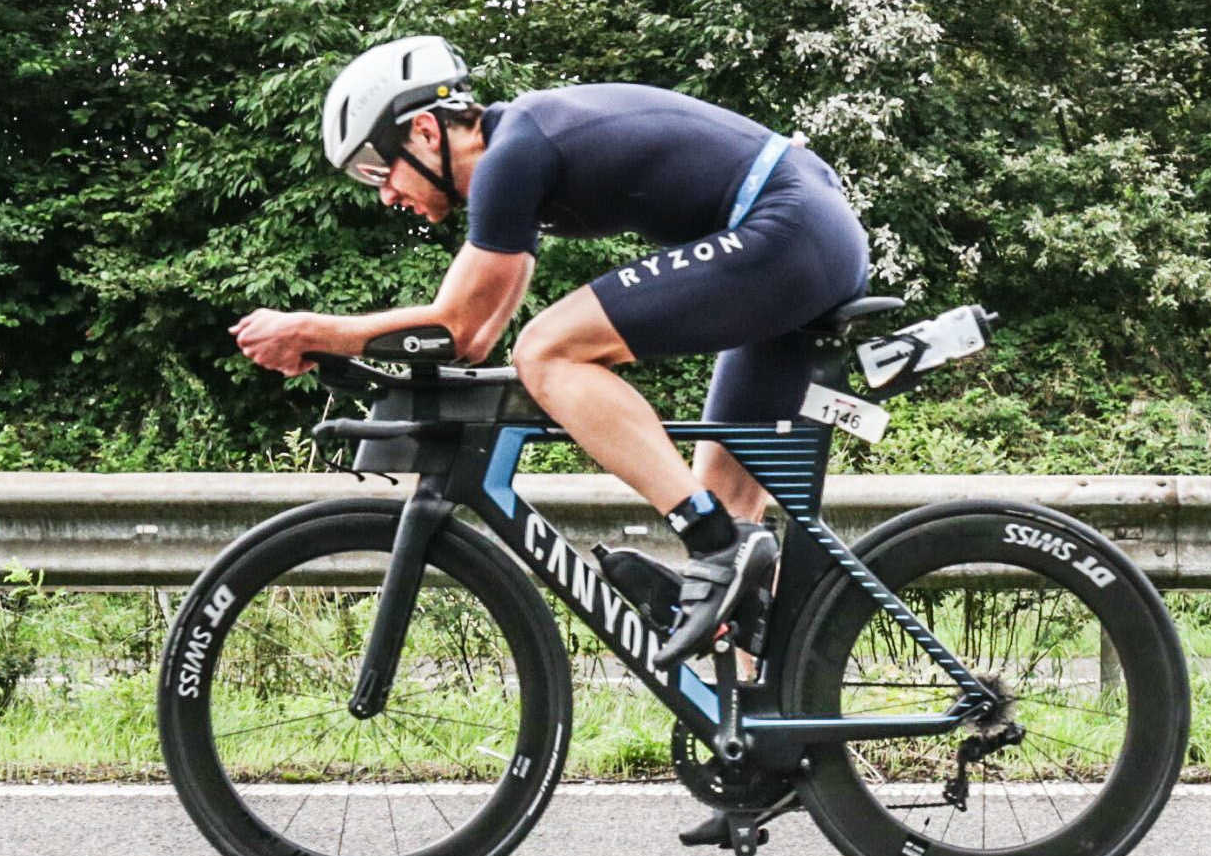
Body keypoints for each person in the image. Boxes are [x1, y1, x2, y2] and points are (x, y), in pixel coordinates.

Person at [228, 35, 869, 667]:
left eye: (377, 167)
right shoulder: (520, 160)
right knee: (735, 541)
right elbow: (473, 339)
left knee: (547, 352)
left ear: (424, 130)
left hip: (788, 228)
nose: (384, 193)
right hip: (802, 235)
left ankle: (706, 536)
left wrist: (314, 331)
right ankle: (771, 716)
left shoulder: (513, 153)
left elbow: (459, 326)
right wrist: (339, 348)